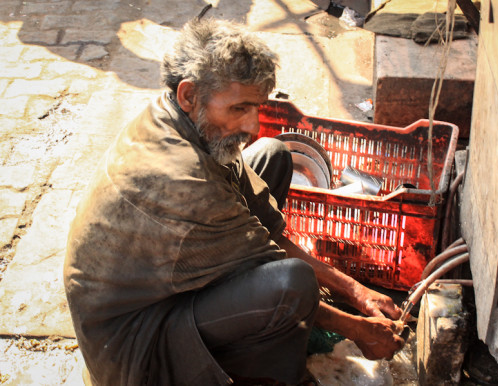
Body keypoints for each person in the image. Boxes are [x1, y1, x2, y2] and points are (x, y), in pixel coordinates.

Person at [63, 18, 405, 386]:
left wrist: (356, 292)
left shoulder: (185, 118)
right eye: (239, 109)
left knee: (273, 155)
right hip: (135, 351)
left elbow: (263, 232)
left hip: (168, 285)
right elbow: (277, 266)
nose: (252, 125)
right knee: (294, 284)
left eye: (255, 107)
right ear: (189, 95)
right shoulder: (181, 180)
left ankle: (264, 338)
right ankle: (266, 374)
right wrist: (359, 329)